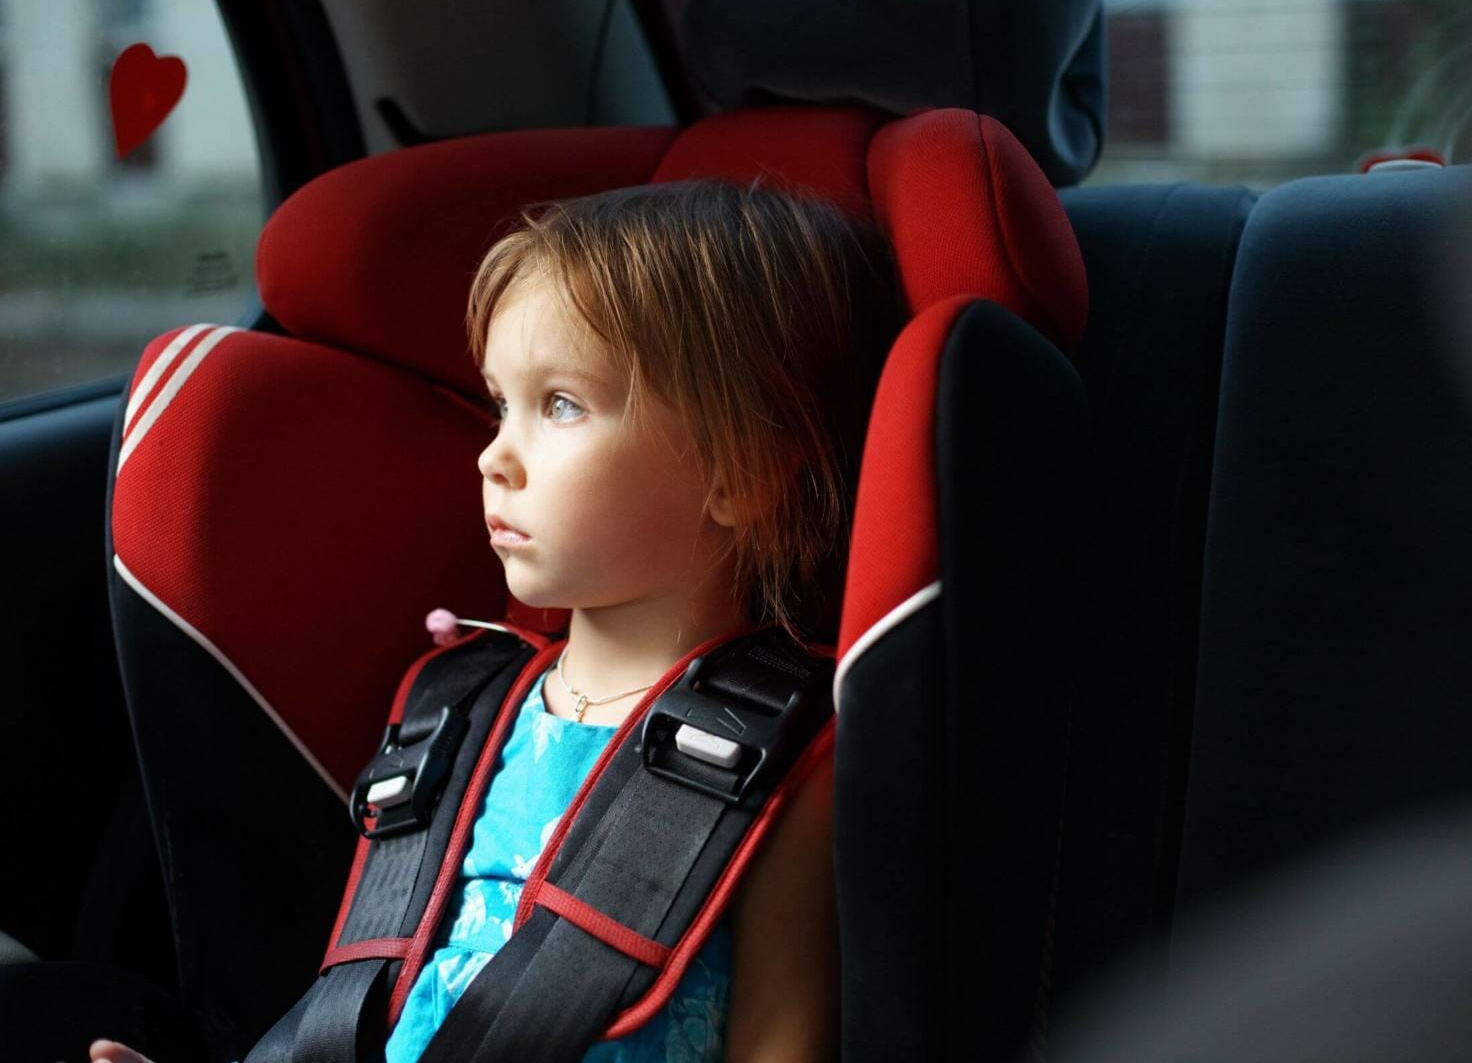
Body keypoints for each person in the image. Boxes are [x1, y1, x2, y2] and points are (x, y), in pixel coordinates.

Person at [90, 177, 905, 1063]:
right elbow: (384, 998)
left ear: (739, 471)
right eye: (499, 405)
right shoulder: (460, 708)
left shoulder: (783, 767)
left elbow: (780, 1043)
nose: (494, 456)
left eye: (560, 405)